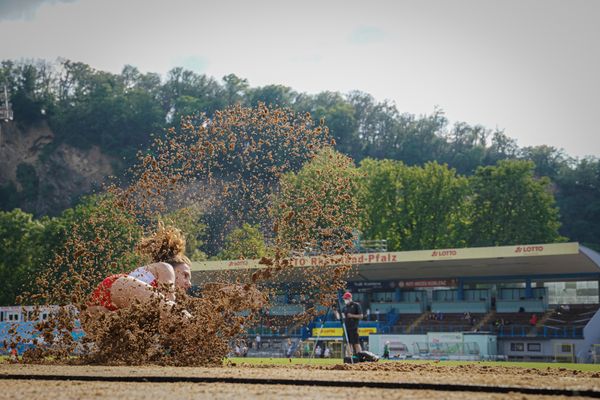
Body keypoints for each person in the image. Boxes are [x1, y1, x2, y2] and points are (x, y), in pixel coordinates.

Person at [86, 224, 192, 320]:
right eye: (185, 275)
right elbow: (169, 307)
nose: (189, 283)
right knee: (178, 316)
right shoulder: (166, 267)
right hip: (119, 286)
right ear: (174, 270)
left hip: (101, 306)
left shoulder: (148, 289)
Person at [336, 291, 363, 357]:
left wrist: (352, 315)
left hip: (354, 327)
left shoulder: (356, 305)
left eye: (346, 298)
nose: (345, 300)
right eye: (344, 299)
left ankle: (360, 357)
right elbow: (339, 317)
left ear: (350, 298)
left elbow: (361, 316)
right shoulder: (344, 308)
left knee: (356, 343)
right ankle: (349, 357)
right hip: (346, 328)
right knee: (348, 344)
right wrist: (335, 311)